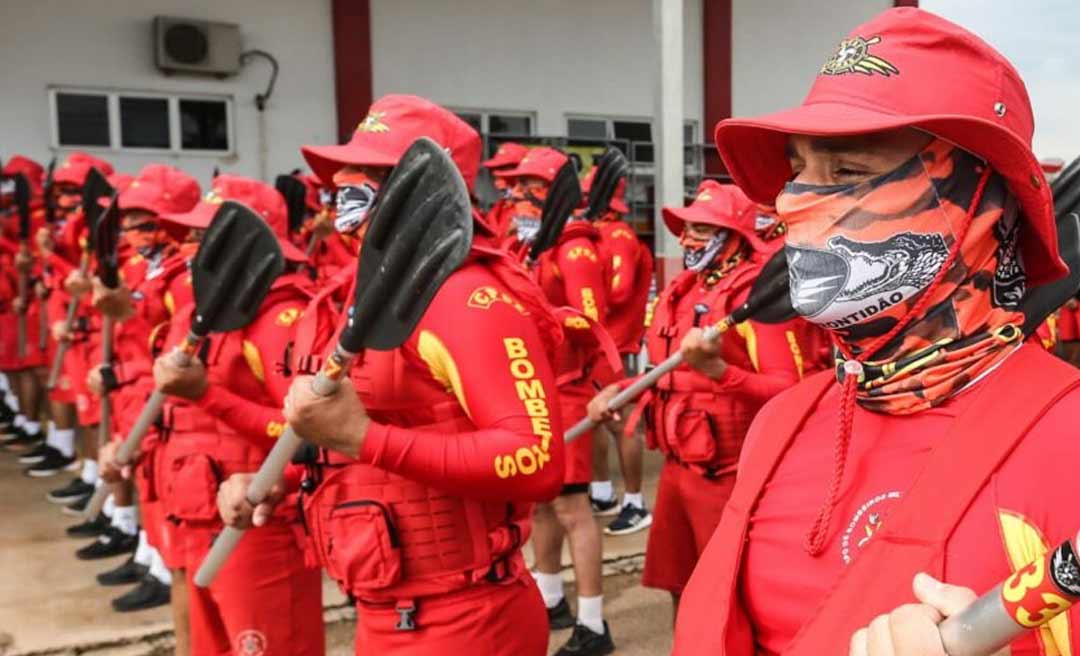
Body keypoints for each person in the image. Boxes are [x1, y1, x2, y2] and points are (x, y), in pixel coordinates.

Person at [672, 8, 1080, 655]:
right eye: (798, 170)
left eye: (849, 172)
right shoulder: (781, 422)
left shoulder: (1068, 440)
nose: (791, 203)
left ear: (983, 203)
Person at [215, 94, 565, 656]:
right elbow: (339, 440)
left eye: (371, 174)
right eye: (346, 172)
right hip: (383, 610)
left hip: (468, 619)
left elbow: (537, 460)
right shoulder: (356, 294)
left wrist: (363, 437)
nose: (346, 185)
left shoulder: (467, 299)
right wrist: (272, 483)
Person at [116, 174, 325, 655]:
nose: (187, 249)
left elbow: (307, 435)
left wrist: (210, 394)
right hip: (197, 509)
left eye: (199, 238)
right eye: (188, 237)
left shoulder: (280, 318)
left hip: (258, 526)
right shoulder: (203, 311)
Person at [588, 180, 809, 624]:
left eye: (703, 231)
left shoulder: (755, 298)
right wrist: (623, 390)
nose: (687, 239)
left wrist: (719, 372)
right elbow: (672, 373)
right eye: (687, 228)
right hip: (677, 469)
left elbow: (793, 393)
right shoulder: (684, 288)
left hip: (730, 477)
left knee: (726, 602)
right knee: (680, 588)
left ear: (733, 238)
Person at [495, 146, 618, 655]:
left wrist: (605, 386)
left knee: (572, 509)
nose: (518, 197)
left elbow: (593, 322)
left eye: (532, 189)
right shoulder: (532, 245)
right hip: (536, 393)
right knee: (541, 506)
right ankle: (551, 598)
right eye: (516, 187)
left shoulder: (573, 248)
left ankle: (593, 623)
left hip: (568, 392)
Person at [579, 164, 655, 536]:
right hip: (592, 345)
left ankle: (635, 502)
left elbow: (620, 291)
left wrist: (583, 290)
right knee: (592, 419)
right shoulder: (593, 234)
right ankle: (603, 492)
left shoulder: (619, 234)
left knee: (624, 425)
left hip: (616, 345)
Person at [481, 141, 529, 239]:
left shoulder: (532, 211)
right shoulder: (502, 206)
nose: (498, 175)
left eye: (504, 170)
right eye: (495, 171)